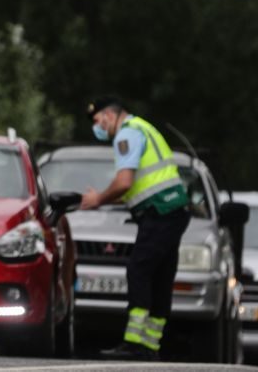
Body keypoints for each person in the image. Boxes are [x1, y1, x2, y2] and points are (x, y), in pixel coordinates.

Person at [79, 95, 190, 361]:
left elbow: (125, 182)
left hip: (160, 212)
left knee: (139, 270)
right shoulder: (143, 127)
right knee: (161, 276)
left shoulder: (126, 135)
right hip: (173, 209)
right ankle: (151, 345)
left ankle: (134, 342)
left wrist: (98, 199)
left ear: (108, 115)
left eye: (97, 120)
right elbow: (139, 186)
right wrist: (106, 199)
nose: (97, 127)